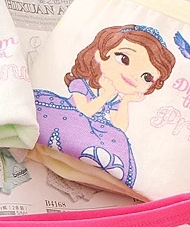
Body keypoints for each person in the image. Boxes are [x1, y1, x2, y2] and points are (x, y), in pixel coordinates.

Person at [33, 24, 176, 188]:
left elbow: (119, 125)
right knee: (70, 121)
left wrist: (125, 101)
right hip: (70, 116)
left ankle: (100, 163)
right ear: (100, 54)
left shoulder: (115, 97)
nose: (132, 76)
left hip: (98, 130)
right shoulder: (82, 84)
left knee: (119, 139)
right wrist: (105, 96)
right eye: (124, 59)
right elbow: (83, 111)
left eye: (147, 77)